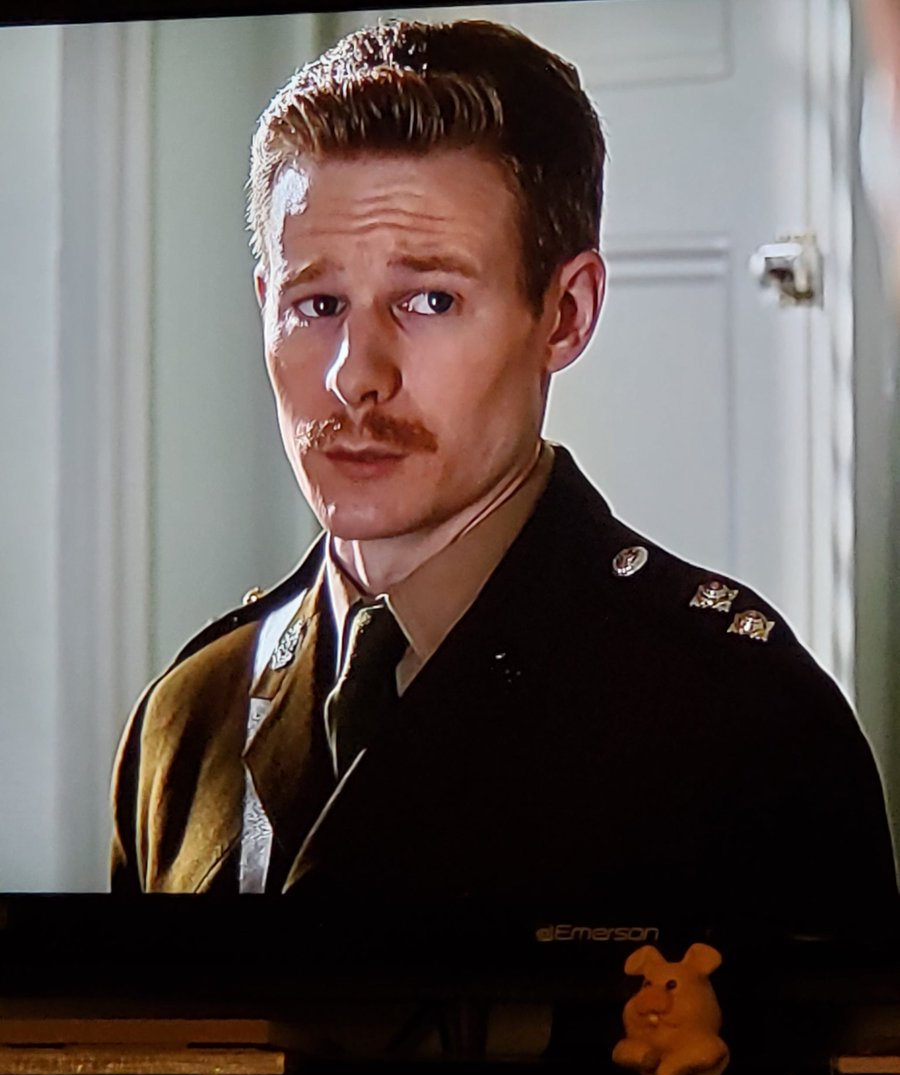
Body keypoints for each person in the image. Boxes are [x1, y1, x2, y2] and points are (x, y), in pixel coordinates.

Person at [110, 18, 896, 928]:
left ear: (565, 314)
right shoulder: (187, 718)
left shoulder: (743, 723)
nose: (354, 373)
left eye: (430, 299)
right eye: (316, 303)